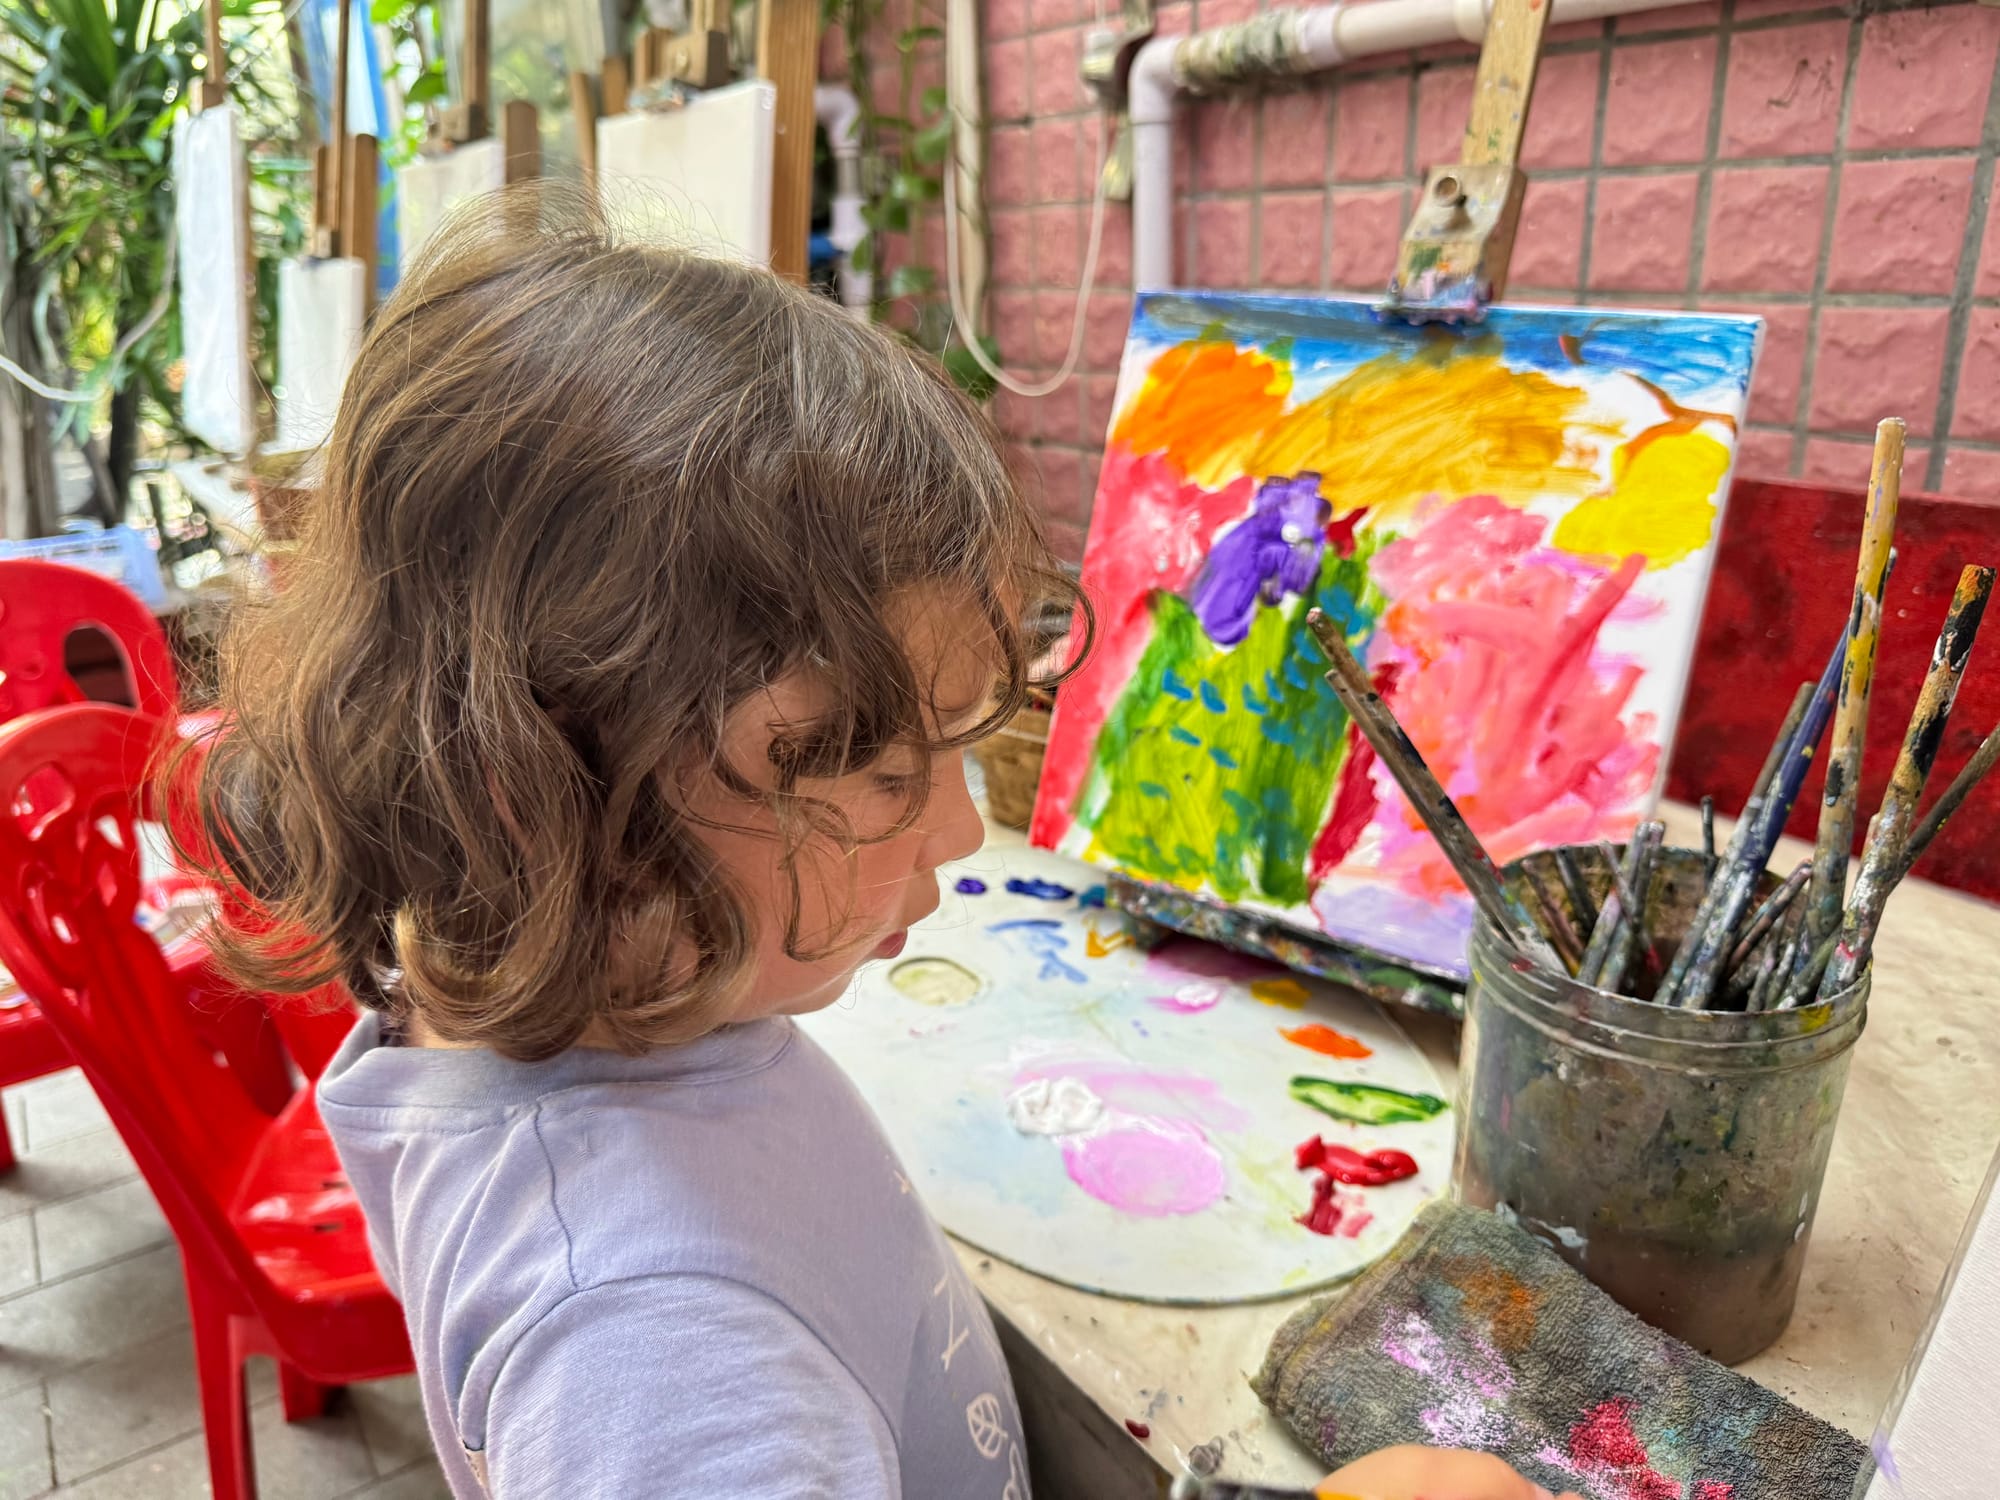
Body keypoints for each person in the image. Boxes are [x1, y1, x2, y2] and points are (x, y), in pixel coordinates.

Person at [183, 183, 1574, 1500]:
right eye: (875, 768)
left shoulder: (621, 1011)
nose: (964, 829)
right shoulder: (656, 1354)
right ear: (538, 789)